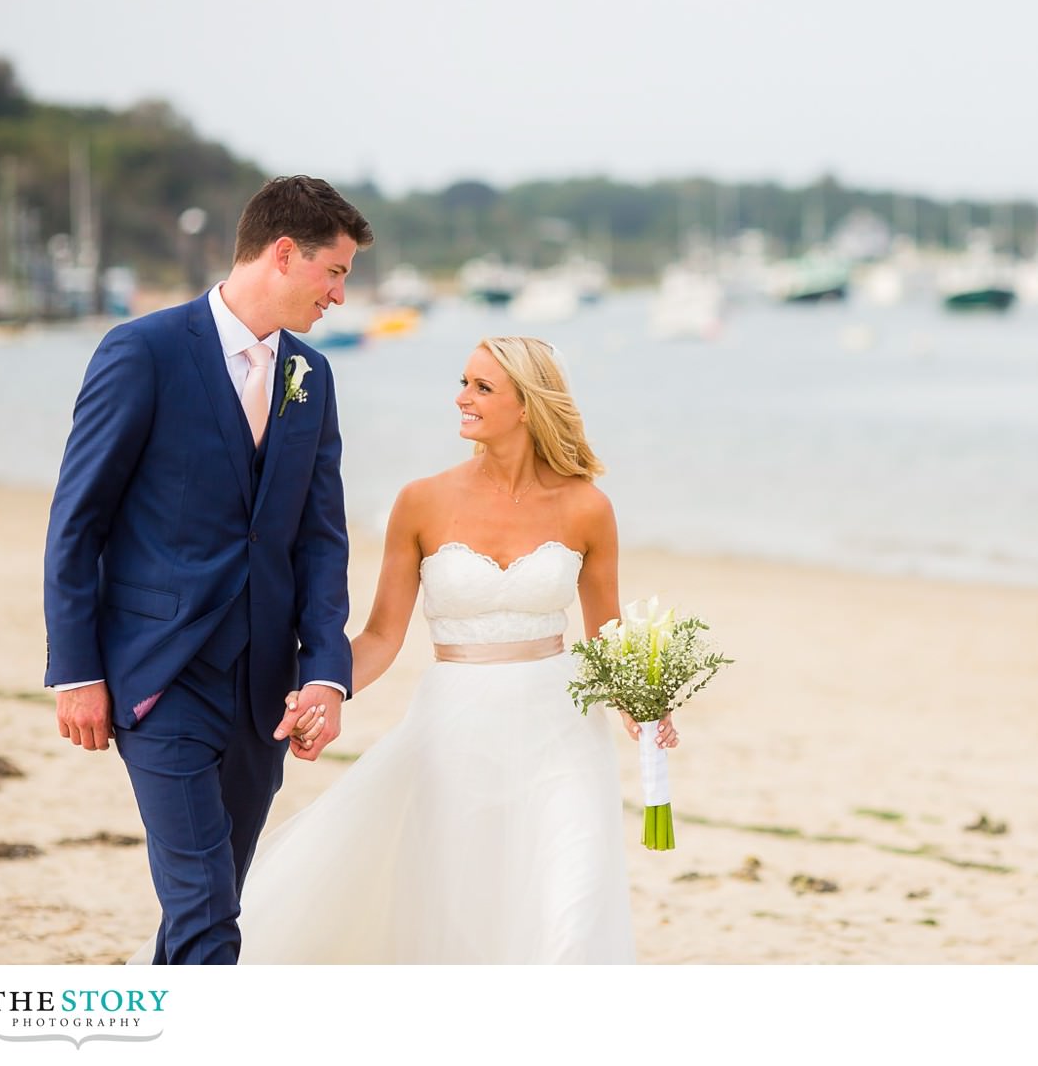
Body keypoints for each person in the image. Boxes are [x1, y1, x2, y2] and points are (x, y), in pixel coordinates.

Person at [144, 336, 671, 964]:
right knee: (463, 908)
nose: (462, 398)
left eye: (481, 388)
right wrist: (322, 688)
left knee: (572, 904)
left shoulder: (588, 506)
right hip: (456, 731)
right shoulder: (421, 501)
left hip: (562, 732)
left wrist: (642, 701)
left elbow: (605, 631)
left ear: (527, 405)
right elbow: (382, 637)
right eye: (463, 382)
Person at [43, 175, 373, 965]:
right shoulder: (144, 351)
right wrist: (76, 670)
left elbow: (319, 539)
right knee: (207, 918)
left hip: (264, 694)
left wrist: (325, 673)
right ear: (284, 254)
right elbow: (76, 519)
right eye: (334, 272)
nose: (338, 295)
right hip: (159, 679)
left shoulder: (311, 376)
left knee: (210, 897)